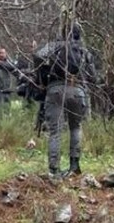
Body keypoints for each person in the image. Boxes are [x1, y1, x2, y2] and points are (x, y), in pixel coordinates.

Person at [39, 23, 96, 178]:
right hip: (77, 90)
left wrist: (42, 77)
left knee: (55, 131)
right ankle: (74, 165)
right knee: (76, 128)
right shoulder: (84, 51)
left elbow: (38, 56)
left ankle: (54, 169)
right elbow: (93, 76)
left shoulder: (54, 47)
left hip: (55, 89)